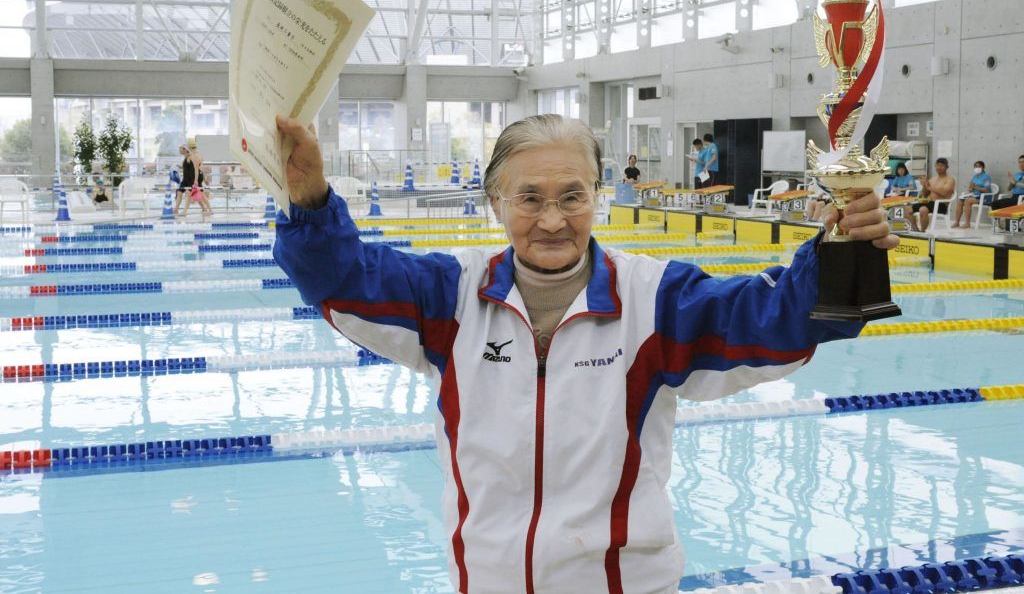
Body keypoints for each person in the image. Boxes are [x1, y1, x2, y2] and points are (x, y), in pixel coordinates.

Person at [273, 113, 896, 594]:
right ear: (495, 203)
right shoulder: (448, 296)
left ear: (597, 196)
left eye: (572, 196)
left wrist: (844, 250)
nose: (551, 219)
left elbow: (774, 321)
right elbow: (344, 280)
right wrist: (308, 200)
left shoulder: (656, 300)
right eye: (529, 197)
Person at [902, 157, 955, 232]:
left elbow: (944, 193)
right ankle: (915, 230)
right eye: (938, 165)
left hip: (941, 205)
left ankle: (923, 231)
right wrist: (924, 185)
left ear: (947, 167)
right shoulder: (932, 179)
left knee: (923, 209)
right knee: (907, 210)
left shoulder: (949, 179)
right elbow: (925, 194)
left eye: (942, 166)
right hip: (928, 203)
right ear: (935, 166)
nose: (939, 167)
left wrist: (930, 187)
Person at [951, 160, 992, 228]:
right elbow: (971, 188)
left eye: (979, 166)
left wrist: (975, 187)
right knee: (960, 201)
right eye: (975, 166)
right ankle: (957, 222)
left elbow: (986, 190)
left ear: (983, 168)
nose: (977, 168)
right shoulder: (975, 177)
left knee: (967, 201)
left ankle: (967, 223)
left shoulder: (986, 177)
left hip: (984, 198)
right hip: (974, 196)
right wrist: (970, 189)